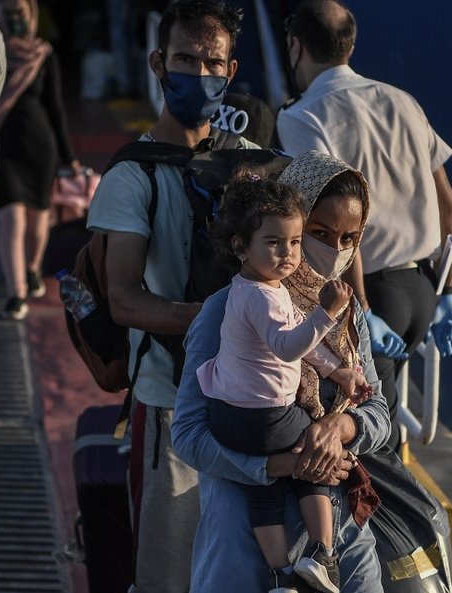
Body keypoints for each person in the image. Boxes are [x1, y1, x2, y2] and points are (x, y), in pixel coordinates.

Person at [85, 1, 255, 590]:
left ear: (231, 73)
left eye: (213, 63)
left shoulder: (251, 166)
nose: (200, 75)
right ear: (159, 63)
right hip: (170, 408)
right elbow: (124, 300)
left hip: (251, 407)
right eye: (186, 59)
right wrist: (218, 321)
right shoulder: (131, 176)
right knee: (166, 576)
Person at [172, 149, 391, 593]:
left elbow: (378, 412)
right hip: (246, 546)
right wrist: (279, 464)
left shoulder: (345, 310)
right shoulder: (226, 309)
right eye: (318, 232)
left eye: (349, 238)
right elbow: (189, 434)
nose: (334, 250)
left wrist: (339, 428)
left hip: (340, 544)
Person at [277, 0, 452, 447]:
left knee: (366, 441)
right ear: (352, 45)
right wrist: (447, 292)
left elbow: (342, 230)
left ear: (295, 46)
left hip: (372, 295)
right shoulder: (402, 100)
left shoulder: (301, 117)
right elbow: (450, 205)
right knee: (384, 427)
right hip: (424, 292)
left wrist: (361, 309)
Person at [0, 0, 82, 320]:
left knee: (38, 223)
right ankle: (15, 294)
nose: (15, 20)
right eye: (9, 13)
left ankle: (31, 268)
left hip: (40, 150)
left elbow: (55, 108)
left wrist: (68, 158)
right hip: (3, 150)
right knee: (11, 220)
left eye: (21, 13)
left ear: (32, 16)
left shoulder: (43, 54)